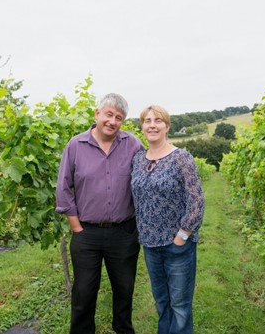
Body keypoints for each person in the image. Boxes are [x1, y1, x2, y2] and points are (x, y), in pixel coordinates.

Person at [56, 93, 144, 334]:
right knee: (83, 292)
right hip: (87, 234)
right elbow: (63, 187)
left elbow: (148, 176)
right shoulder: (76, 145)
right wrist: (76, 228)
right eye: (109, 114)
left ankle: (123, 330)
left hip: (124, 234)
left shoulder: (133, 144)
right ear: (97, 114)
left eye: (119, 117)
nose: (113, 121)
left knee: (124, 290)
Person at [131, 105, 205, 334]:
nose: (152, 125)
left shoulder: (181, 158)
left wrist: (182, 236)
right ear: (142, 126)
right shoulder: (137, 159)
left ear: (167, 126)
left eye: (158, 120)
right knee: (162, 302)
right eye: (147, 120)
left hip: (177, 246)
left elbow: (196, 200)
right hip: (150, 245)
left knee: (180, 306)